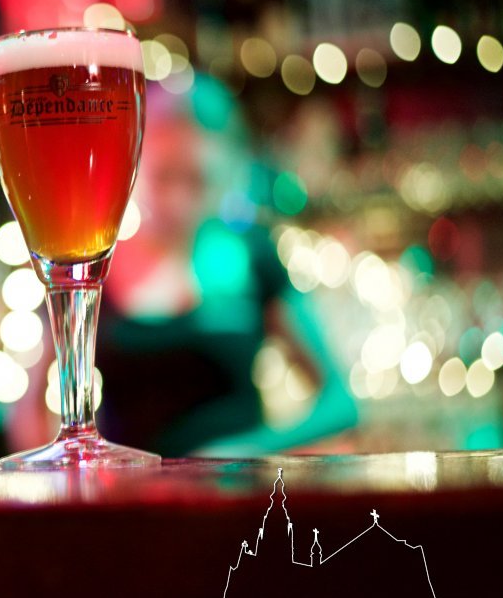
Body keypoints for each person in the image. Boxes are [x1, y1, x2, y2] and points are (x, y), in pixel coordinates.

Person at [95, 75, 358, 457]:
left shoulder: (251, 255)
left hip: (235, 487)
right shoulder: (96, 261)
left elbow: (340, 403)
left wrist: (249, 449)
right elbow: (30, 408)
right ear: (134, 165)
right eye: (164, 176)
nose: (178, 200)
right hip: (130, 491)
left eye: (196, 180)